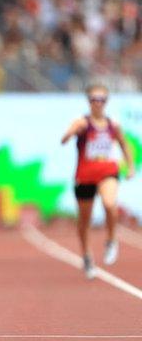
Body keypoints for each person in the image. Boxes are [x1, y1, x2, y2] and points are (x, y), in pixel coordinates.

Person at [61, 84, 134, 279]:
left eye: (101, 99)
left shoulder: (113, 125)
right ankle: (86, 255)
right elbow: (64, 138)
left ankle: (111, 240)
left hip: (107, 172)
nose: (98, 103)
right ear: (89, 101)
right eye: (94, 99)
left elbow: (124, 145)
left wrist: (131, 167)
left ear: (106, 102)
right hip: (85, 176)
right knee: (85, 220)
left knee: (110, 204)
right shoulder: (82, 123)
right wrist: (71, 133)